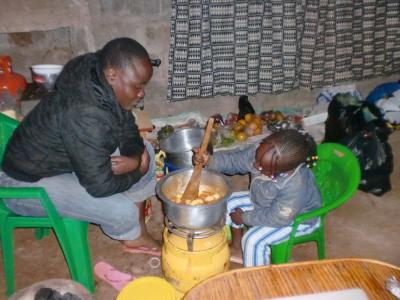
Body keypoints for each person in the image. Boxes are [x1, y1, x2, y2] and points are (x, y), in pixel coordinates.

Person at [1, 37, 159, 251]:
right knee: (122, 211)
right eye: (138, 86)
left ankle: (135, 231)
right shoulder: (84, 112)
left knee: (145, 151)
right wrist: (137, 171)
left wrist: (133, 159)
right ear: (112, 75)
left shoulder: (98, 71)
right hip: (24, 183)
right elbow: (100, 186)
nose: (142, 93)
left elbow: (126, 123)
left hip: (59, 157)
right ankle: (130, 228)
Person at [194, 129, 321, 267]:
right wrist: (209, 160)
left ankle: (257, 277)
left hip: (296, 219)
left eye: (262, 168)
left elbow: (278, 218)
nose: (255, 165)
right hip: (267, 201)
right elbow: (234, 160)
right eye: (257, 159)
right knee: (226, 202)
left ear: (283, 171)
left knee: (253, 240)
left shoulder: (296, 183)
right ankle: (237, 249)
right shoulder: (260, 152)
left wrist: (244, 217)